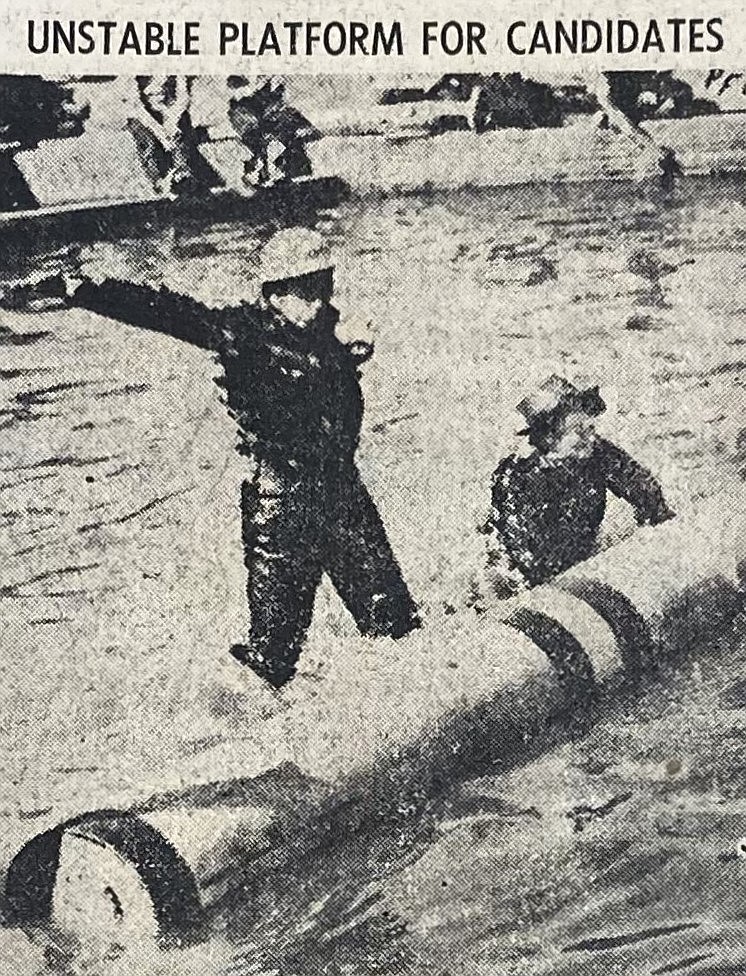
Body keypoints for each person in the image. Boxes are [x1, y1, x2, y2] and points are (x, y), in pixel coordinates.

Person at [20, 229, 419, 689]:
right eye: (305, 290)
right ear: (273, 294)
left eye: (324, 287)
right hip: (283, 508)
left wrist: (347, 353)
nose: (317, 302)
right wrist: (86, 291)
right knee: (272, 656)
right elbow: (169, 313)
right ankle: (237, 733)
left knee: (397, 626)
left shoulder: (334, 333)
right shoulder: (243, 334)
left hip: (343, 498)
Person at [483, 376, 675, 596]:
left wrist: (658, 520)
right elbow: (518, 554)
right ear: (550, 438)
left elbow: (642, 487)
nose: (590, 436)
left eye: (589, 427)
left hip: (576, 556)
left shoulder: (595, 451)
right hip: (520, 571)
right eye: (578, 430)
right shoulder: (519, 476)